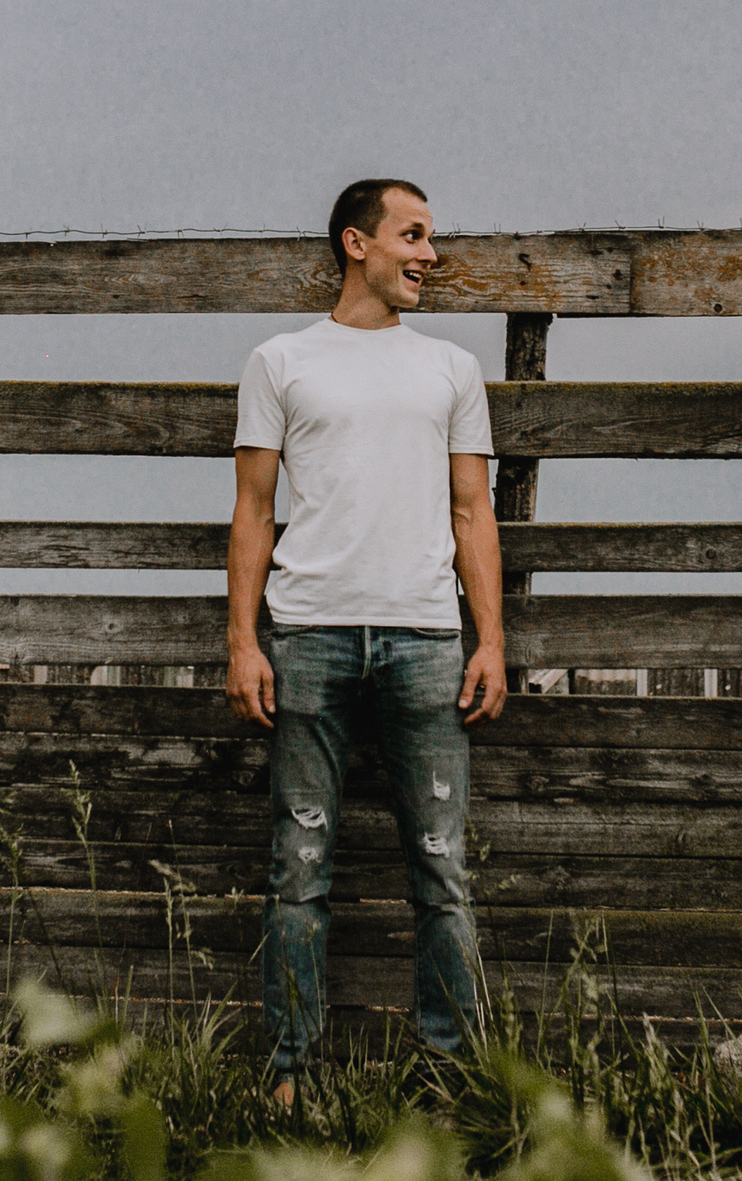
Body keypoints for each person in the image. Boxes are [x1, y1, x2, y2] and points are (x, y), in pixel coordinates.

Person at [226, 178, 509, 1107]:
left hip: (427, 639)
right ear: (358, 242)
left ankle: (452, 1079)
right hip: (309, 637)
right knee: (298, 870)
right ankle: (289, 1078)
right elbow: (254, 509)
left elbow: (473, 510)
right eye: (413, 235)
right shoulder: (281, 361)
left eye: (430, 238)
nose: (430, 253)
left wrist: (490, 640)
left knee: (443, 870)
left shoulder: (451, 369)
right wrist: (243, 640)